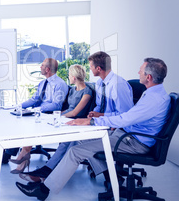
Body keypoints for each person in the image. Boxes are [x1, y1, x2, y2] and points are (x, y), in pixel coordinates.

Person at [15, 58, 170, 201]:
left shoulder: (153, 99)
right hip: (126, 135)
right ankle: (112, 175)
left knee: (75, 152)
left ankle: (43, 189)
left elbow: (125, 118)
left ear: (148, 77)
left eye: (141, 71)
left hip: (132, 141)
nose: (138, 73)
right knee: (77, 139)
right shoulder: (153, 94)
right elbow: (129, 117)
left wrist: (94, 120)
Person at [19, 51, 134, 183]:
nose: (88, 69)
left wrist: (100, 116)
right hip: (101, 122)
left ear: (98, 68)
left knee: (76, 141)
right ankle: (112, 178)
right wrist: (94, 113)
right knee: (72, 140)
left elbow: (125, 115)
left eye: (90, 66)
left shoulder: (118, 85)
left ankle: (47, 173)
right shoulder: (100, 84)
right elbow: (99, 105)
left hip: (115, 128)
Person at [0, 58, 68, 165]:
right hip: (37, 113)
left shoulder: (60, 84)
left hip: (48, 115)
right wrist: (18, 106)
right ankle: (4, 153)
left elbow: (57, 105)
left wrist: (37, 109)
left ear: (47, 69)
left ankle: (6, 155)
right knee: (14, 123)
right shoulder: (43, 83)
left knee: (20, 126)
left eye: (42, 65)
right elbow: (34, 100)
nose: (40, 67)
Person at [9, 64, 93, 173]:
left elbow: (74, 112)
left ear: (74, 77)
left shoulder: (86, 92)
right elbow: (66, 108)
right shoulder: (72, 90)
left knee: (41, 129)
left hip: (73, 119)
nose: (68, 76)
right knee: (30, 124)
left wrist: (57, 115)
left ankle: (34, 164)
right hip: (64, 116)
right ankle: (24, 156)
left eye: (69, 75)